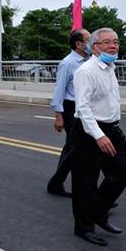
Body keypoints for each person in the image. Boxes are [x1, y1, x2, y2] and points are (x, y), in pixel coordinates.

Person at [71, 28, 126, 246]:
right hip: (90, 132)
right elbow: (84, 108)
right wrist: (98, 135)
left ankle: (97, 211)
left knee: (122, 173)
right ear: (95, 47)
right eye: (107, 42)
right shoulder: (86, 71)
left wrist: (112, 129)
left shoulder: (110, 68)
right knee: (85, 182)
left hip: (112, 130)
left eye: (115, 42)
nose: (113, 46)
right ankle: (84, 227)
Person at [47, 29, 90, 197]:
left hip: (85, 108)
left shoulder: (89, 60)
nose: (91, 42)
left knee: (73, 148)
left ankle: (56, 184)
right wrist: (58, 115)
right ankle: (86, 192)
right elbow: (59, 90)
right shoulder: (68, 63)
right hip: (71, 108)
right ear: (78, 44)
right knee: (76, 148)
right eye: (88, 39)